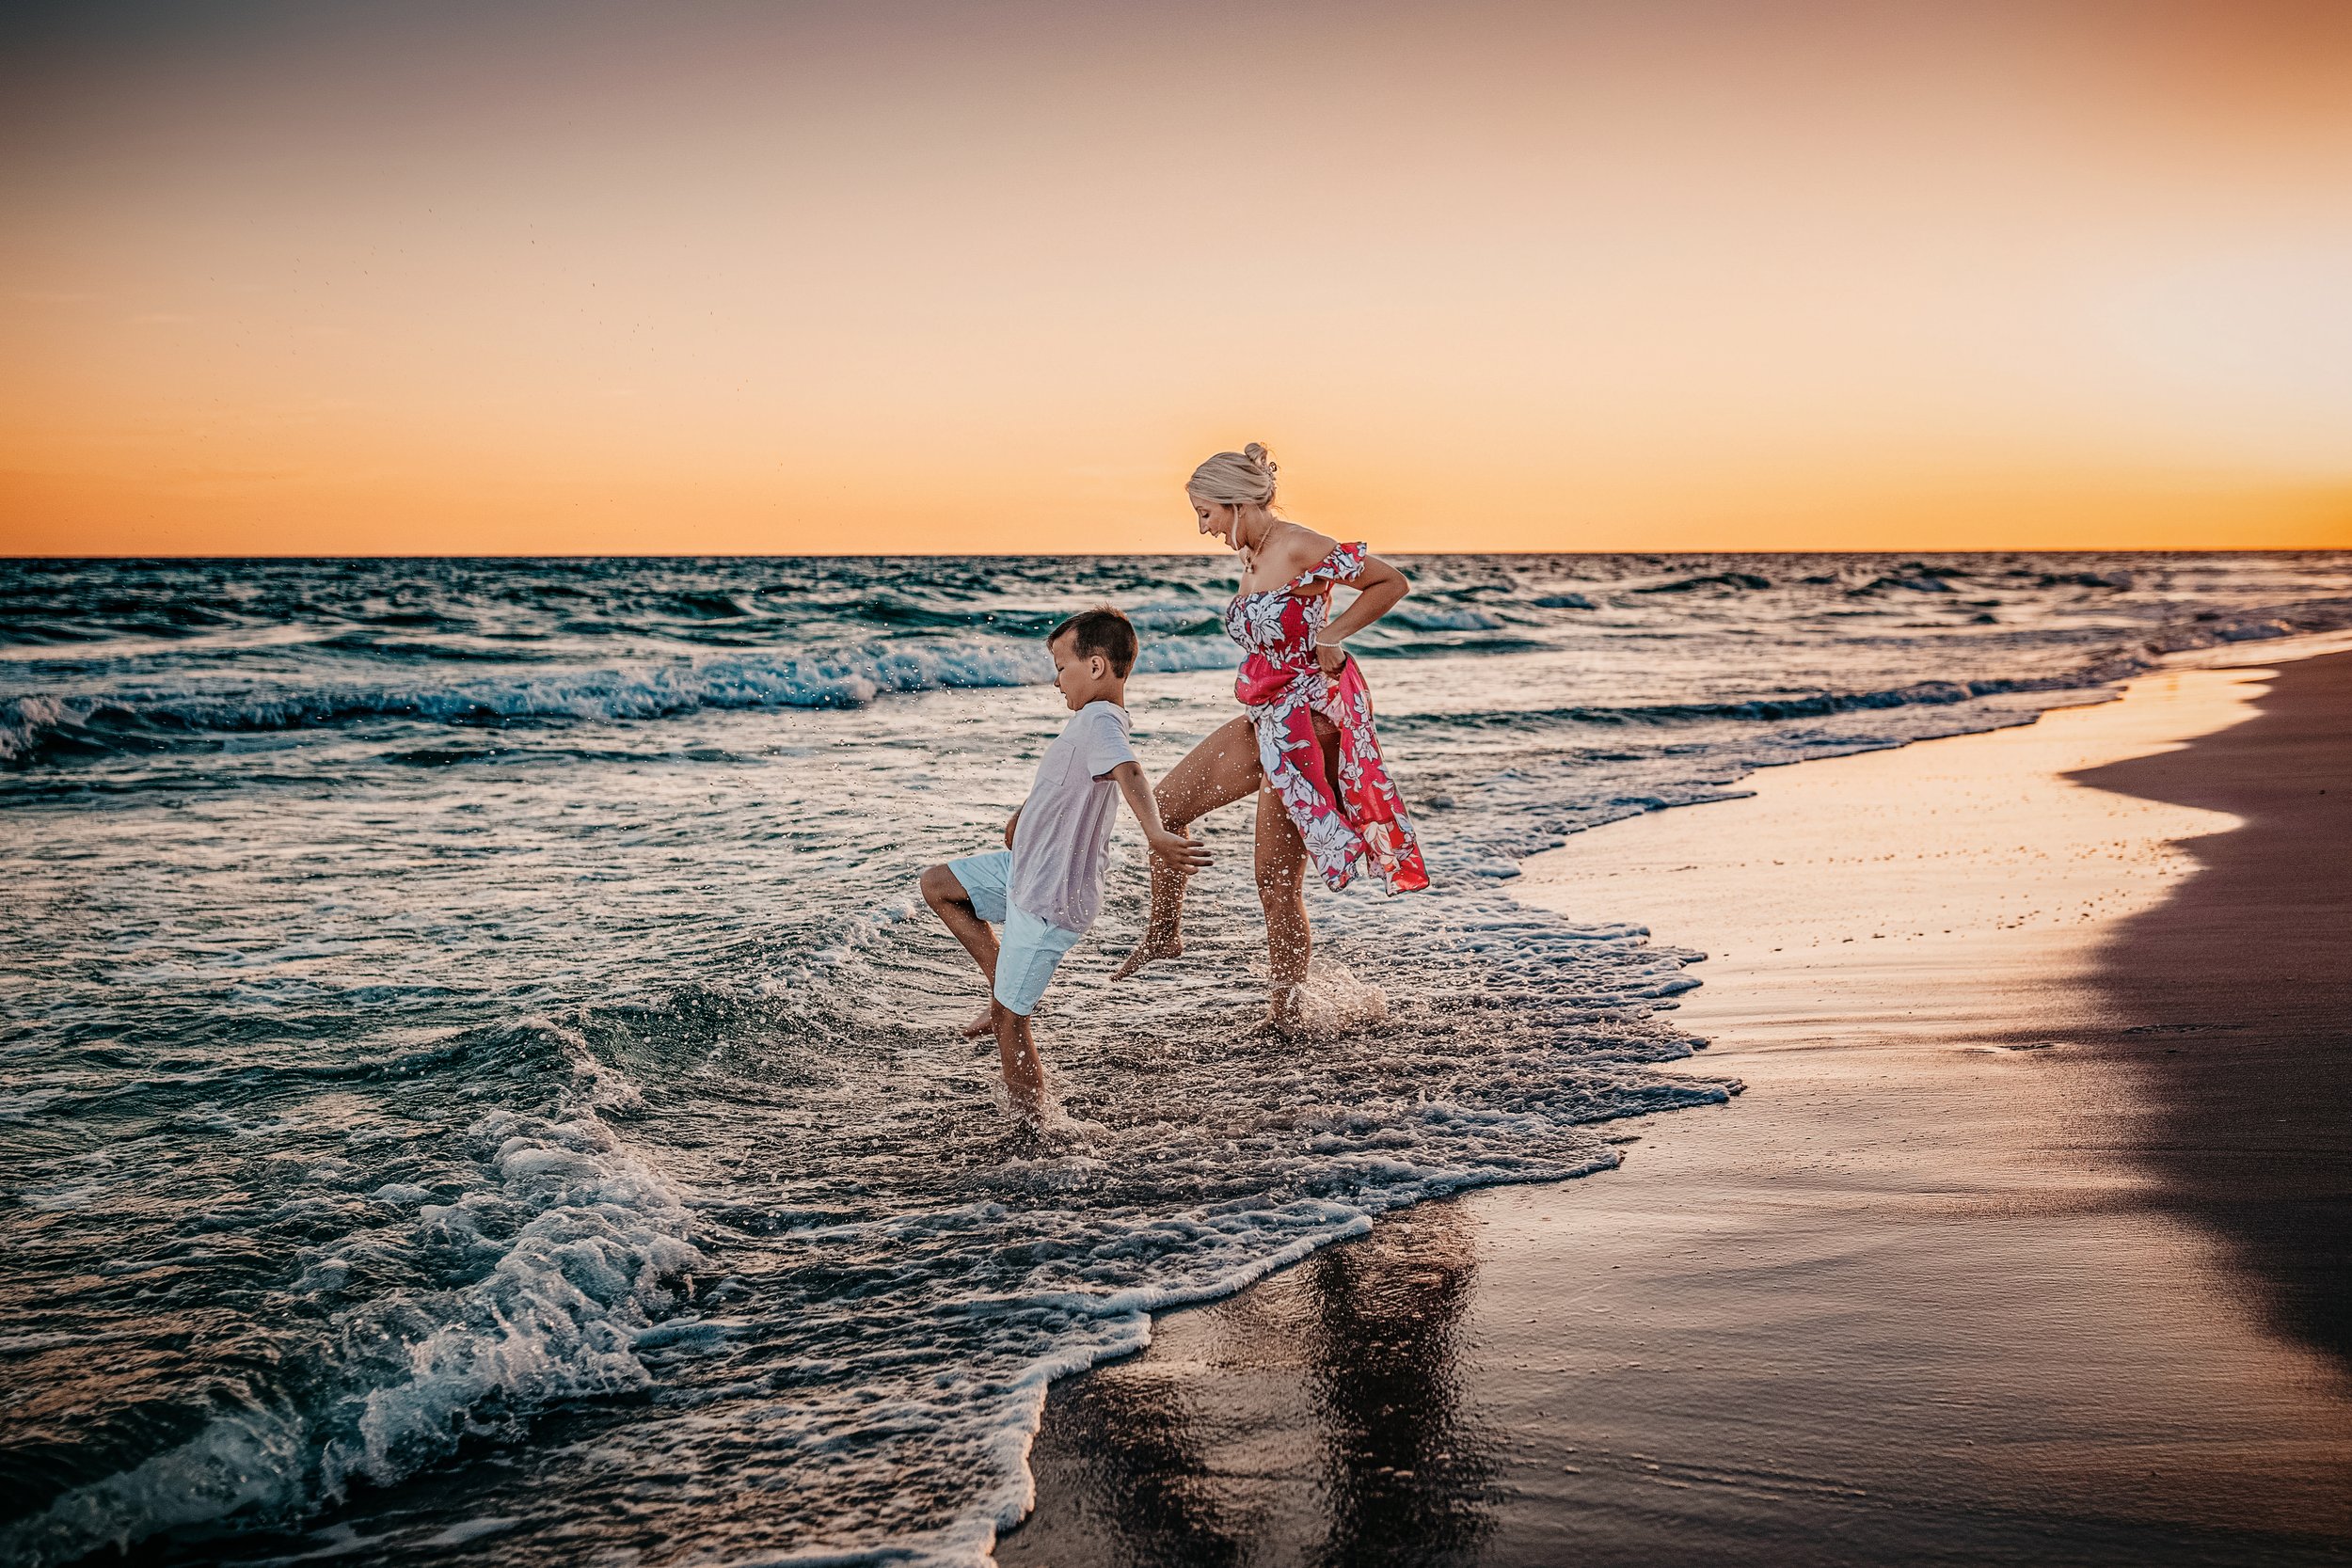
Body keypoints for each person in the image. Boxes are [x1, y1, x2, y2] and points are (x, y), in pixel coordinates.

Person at [1109, 443, 1428, 1021]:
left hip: (1310, 722)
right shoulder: (1252, 555)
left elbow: (1390, 583)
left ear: (1235, 503)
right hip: (1266, 716)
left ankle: (1285, 1013)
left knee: (1274, 879)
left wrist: (1333, 634)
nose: (1202, 528)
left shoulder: (1298, 545)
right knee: (1166, 807)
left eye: (1206, 513)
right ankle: (1165, 934)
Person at [919, 607, 1212, 1118]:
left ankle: (1034, 1126)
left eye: (1060, 666)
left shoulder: (1101, 720)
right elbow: (1067, 784)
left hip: (1049, 893)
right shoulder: (1091, 724)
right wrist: (1024, 815)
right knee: (939, 884)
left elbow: (1131, 771)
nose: (1056, 680)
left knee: (1012, 1019)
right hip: (1025, 869)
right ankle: (999, 982)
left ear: (1095, 667)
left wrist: (1157, 833)